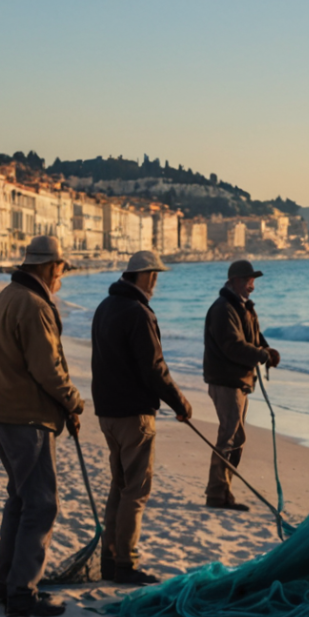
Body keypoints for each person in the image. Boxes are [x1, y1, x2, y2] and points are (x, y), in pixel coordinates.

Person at [0, 235, 83, 617]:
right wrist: (74, 401)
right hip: (24, 415)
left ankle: (5, 585)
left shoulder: (7, 296)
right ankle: (22, 593)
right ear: (49, 266)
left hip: (1, 411)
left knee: (20, 500)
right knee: (40, 504)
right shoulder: (33, 304)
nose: (62, 277)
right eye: (61, 269)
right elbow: (48, 370)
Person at [90, 250, 192, 585]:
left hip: (107, 412)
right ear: (146, 276)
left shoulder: (105, 307)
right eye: (156, 276)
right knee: (135, 491)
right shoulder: (138, 313)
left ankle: (109, 559)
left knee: (118, 488)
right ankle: (125, 565)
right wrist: (180, 403)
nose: (157, 282)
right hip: (133, 414)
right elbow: (154, 369)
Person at [202, 259, 279, 510]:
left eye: (253, 280)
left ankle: (223, 492)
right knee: (229, 438)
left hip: (238, 380)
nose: (252, 284)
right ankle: (217, 495)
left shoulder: (242, 306)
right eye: (248, 280)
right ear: (234, 280)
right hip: (226, 381)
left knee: (236, 438)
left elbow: (254, 336)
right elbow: (232, 346)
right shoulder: (223, 308)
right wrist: (262, 355)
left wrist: (266, 349)